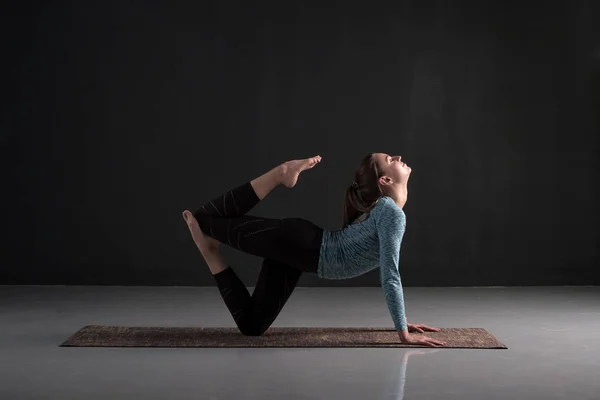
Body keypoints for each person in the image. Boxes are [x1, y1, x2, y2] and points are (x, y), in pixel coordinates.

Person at [182, 153, 446, 347]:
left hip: (301, 256)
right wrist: (403, 331)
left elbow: (388, 272)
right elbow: (390, 274)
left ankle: (209, 251)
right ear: (386, 179)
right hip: (298, 243)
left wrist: (403, 321)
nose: (398, 156)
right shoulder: (390, 212)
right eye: (391, 158)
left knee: (251, 326)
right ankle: (281, 174)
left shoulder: (385, 211)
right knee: (205, 219)